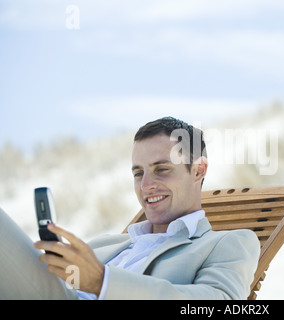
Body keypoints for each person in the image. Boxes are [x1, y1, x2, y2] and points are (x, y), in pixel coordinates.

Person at [0, 117, 260, 299]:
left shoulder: (229, 243)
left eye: (162, 170)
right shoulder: (106, 243)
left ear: (198, 170)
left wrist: (103, 283)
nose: (146, 185)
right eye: (138, 173)